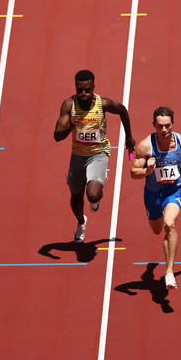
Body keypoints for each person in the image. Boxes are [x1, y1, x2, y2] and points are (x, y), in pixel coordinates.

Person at [54, 69, 135, 243]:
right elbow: (57, 136)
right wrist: (70, 126)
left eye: (87, 90)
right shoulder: (69, 106)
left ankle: (96, 189)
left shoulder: (102, 104)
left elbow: (122, 110)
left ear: (93, 87)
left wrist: (129, 136)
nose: (84, 94)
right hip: (77, 156)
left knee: (92, 194)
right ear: (75, 88)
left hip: (99, 154)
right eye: (80, 90)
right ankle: (81, 222)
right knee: (76, 197)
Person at [130, 107, 181, 289]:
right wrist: (147, 171)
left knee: (169, 224)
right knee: (157, 229)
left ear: (172, 124)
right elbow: (133, 172)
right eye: (160, 126)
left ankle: (169, 272)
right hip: (152, 194)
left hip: (174, 190)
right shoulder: (145, 146)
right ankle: (151, 271)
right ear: (153, 125)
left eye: (167, 126)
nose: (164, 130)